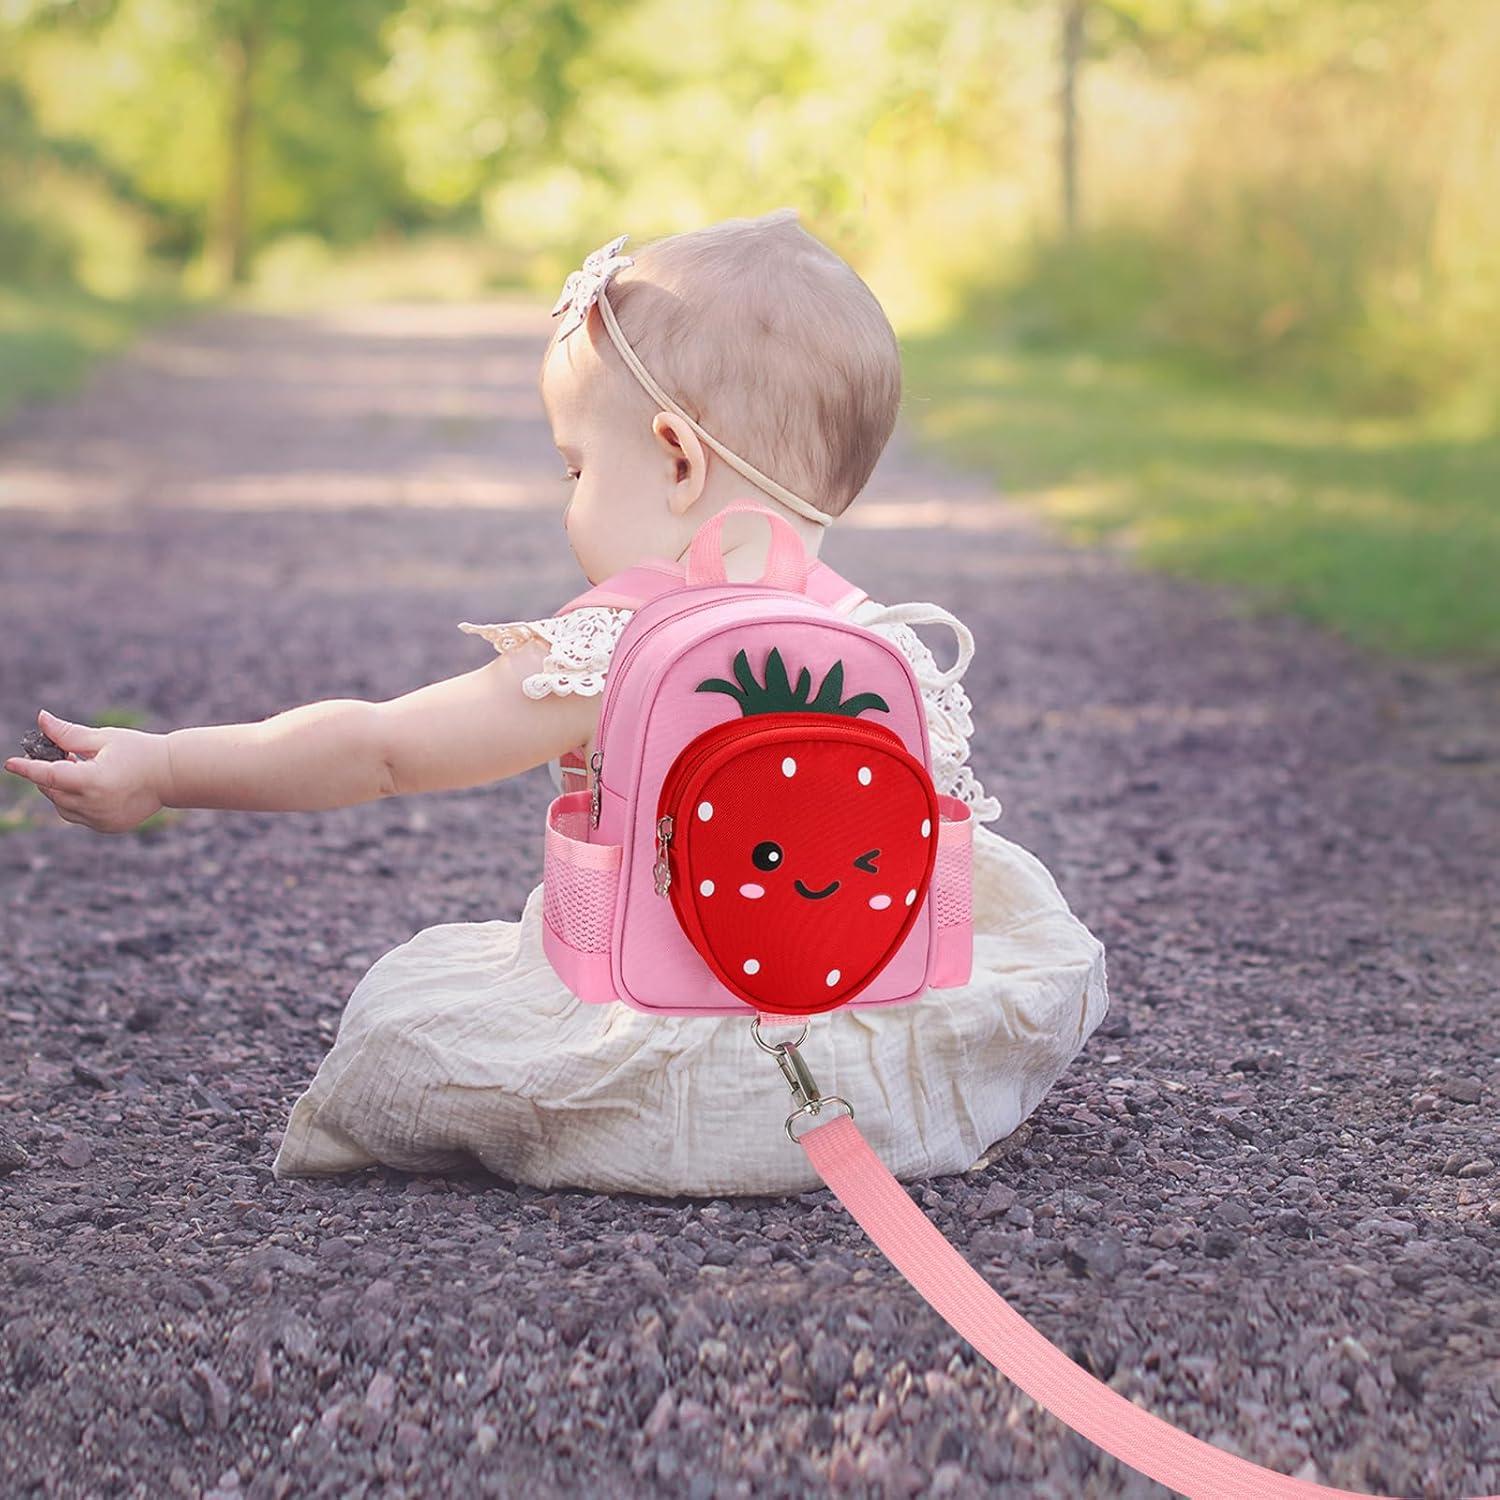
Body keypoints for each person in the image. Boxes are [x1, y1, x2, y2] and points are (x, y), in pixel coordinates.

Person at [3, 209, 1109, 1197]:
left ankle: (674, 1134)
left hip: (658, 1038)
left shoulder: (618, 645)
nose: (569, 499)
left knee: (411, 1016)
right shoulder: (892, 645)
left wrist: (166, 767)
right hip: (868, 1044)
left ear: (676, 460)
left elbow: (381, 749)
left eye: (576, 468)